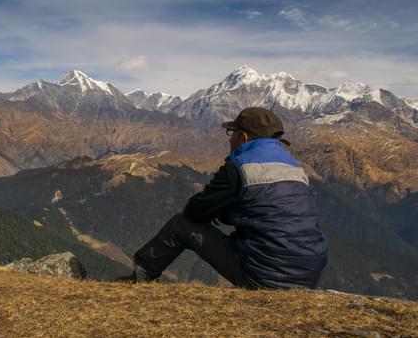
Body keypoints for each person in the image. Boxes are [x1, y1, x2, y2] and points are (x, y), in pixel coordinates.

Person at [118, 107, 328, 289]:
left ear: (243, 137)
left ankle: (141, 277)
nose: (229, 138)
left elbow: (195, 211)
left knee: (181, 225)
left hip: (266, 276)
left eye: (231, 132)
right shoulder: (295, 168)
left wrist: (223, 211)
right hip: (309, 274)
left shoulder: (239, 168)